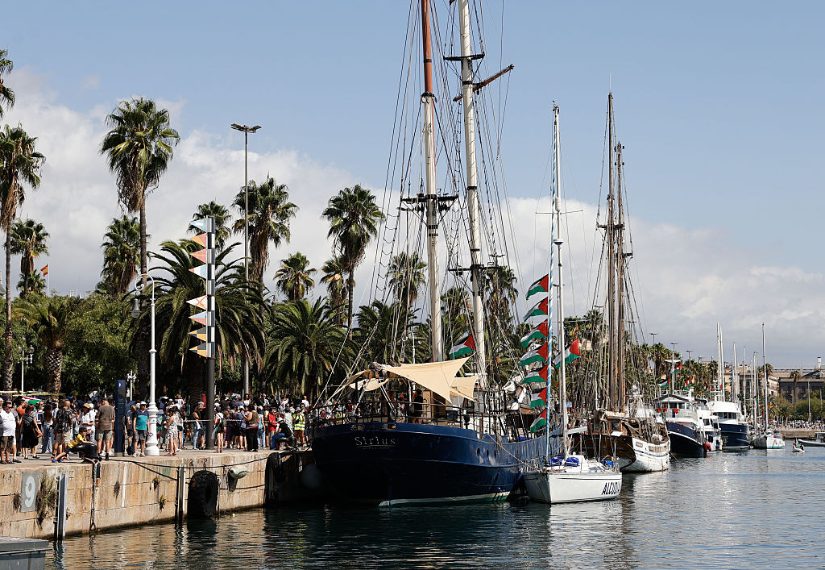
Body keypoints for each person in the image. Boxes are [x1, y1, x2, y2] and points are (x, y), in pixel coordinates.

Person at [0, 400, 17, 464]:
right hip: (4, 433)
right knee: (2, 447)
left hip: (11, 433)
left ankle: (7, 459)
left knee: (9, 447)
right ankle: (2, 459)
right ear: (4, 407)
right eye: (9, 407)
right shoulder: (1, 414)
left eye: (11, 407)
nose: (10, 408)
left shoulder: (11, 414)